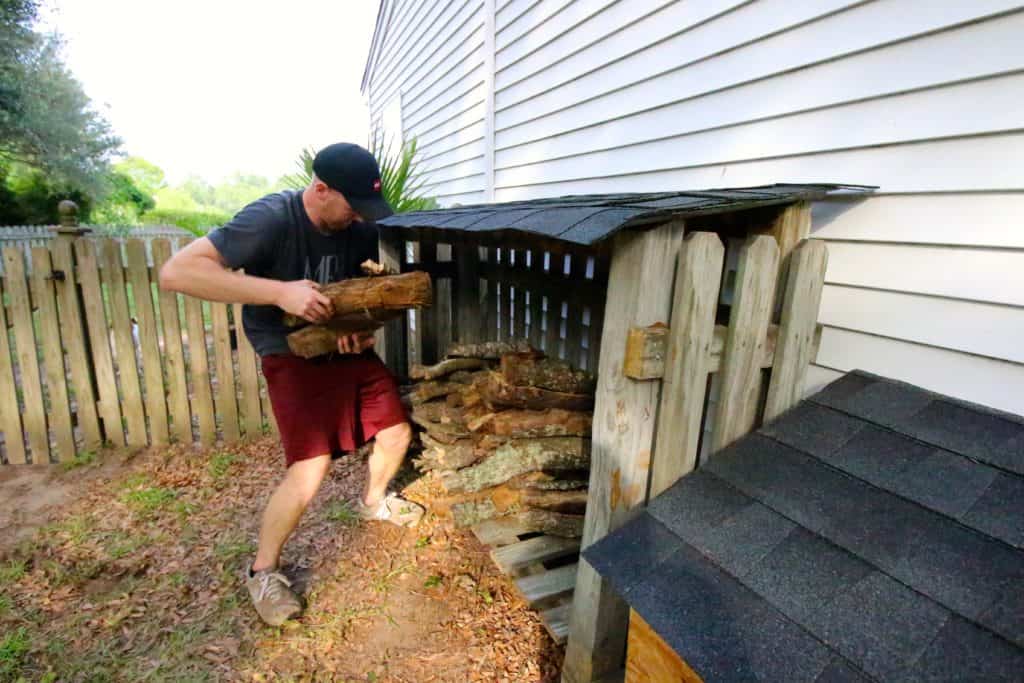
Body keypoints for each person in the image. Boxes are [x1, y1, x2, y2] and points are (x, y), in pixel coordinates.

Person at [159, 142, 424, 627]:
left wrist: (357, 328)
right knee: (310, 467)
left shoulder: (357, 227)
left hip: (339, 344)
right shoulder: (271, 218)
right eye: (351, 206)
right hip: (287, 350)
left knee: (395, 429)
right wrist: (280, 291)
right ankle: (262, 572)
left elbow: (360, 298)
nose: (360, 219)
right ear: (320, 189)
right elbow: (176, 273)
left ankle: (373, 501)